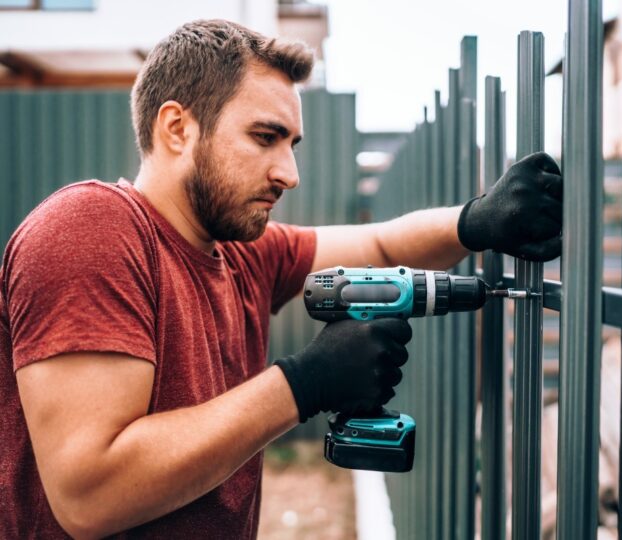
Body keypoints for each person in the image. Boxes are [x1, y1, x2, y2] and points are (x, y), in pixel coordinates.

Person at [0, 19, 562, 539]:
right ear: (176, 128)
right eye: (264, 137)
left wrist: (477, 220)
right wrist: (304, 382)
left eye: (291, 145)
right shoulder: (91, 230)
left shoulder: (239, 253)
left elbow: (382, 244)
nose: (288, 174)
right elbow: (89, 495)